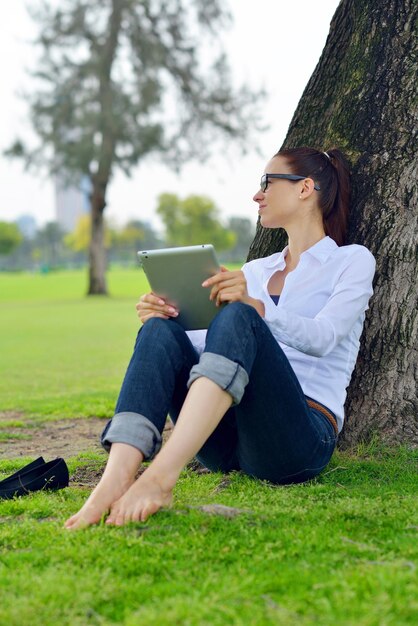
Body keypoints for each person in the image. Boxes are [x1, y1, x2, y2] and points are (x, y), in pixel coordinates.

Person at [65, 146, 376, 530]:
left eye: (267, 182)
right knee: (162, 331)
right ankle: (115, 478)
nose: (256, 195)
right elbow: (216, 351)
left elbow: (325, 337)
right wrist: (166, 316)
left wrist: (258, 309)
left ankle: (159, 479)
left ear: (305, 188)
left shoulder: (351, 261)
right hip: (227, 439)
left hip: (298, 438)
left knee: (241, 315)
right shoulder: (256, 270)